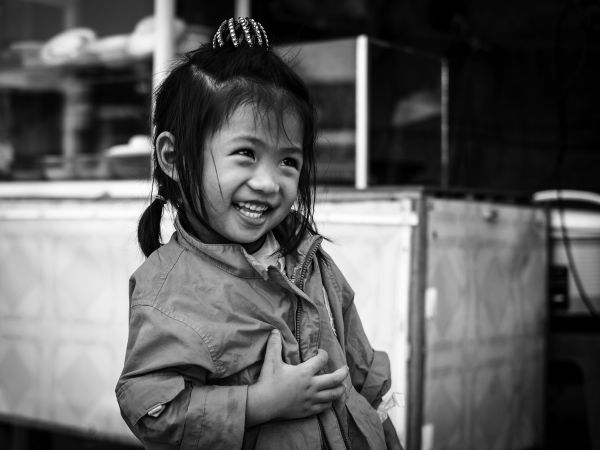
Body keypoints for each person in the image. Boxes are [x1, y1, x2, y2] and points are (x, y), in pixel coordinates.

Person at [115, 17, 402, 450]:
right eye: (246, 154)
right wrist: (260, 403)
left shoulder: (308, 257)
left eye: (288, 161)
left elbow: (363, 371)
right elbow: (151, 410)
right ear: (173, 157)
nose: (270, 183)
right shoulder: (166, 290)